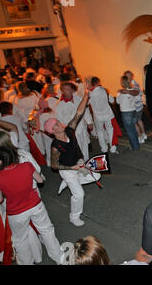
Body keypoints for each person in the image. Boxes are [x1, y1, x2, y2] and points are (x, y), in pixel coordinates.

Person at [0, 146, 62, 265]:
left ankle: (27, 262)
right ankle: (58, 257)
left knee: (20, 240)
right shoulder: (26, 166)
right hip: (36, 205)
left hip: (16, 213)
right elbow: (40, 180)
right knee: (47, 230)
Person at [45, 87, 101, 227]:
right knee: (79, 195)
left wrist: (86, 96)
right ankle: (74, 216)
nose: (60, 124)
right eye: (56, 125)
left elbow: (79, 113)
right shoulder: (55, 146)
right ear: (53, 131)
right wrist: (72, 168)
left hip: (78, 164)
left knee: (97, 176)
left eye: (58, 122)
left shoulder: (69, 130)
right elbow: (54, 165)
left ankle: (70, 183)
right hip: (67, 170)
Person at [0, 131, 44, 265]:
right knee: (31, 227)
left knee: (20, 235)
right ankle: (37, 256)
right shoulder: (22, 154)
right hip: (32, 195)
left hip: (12, 202)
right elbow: (38, 170)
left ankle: (27, 260)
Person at [53, 82, 93, 161]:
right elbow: (59, 120)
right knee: (76, 148)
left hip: (82, 127)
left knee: (84, 146)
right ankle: (79, 164)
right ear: (62, 91)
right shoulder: (60, 105)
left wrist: (89, 122)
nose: (69, 91)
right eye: (66, 89)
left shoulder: (78, 98)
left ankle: (86, 162)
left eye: (70, 89)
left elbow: (85, 109)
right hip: (72, 130)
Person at [87, 77, 118, 154]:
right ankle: (113, 147)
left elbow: (86, 105)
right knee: (110, 130)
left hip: (97, 116)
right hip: (108, 114)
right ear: (98, 82)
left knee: (100, 132)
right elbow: (112, 101)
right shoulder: (105, 90)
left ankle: (104, 148)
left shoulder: (90, 94)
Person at [116, 76, 140, 151]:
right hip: (133, 111)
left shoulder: (120, 93)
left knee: (130, 131)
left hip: (126, 113)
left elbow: (117, 102)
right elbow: (136, 97)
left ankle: (135, 147)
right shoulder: (132, 91)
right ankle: (135, 145)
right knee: (133, 129)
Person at [124, 71, 147, 143]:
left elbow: (135, 94)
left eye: (129, 76)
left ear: (132, 76)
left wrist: (126, 92)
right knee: (139, 120)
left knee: (135, 123)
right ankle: (143, 134)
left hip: (135, 107)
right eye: (127, 76)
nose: (128, 78)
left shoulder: (133, 85)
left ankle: (140, 136)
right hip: (139, 106)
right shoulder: (133, 83)